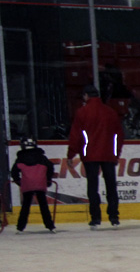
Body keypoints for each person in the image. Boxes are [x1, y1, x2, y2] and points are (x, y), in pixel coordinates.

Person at [67, 84, 123, 230]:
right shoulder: (110, 112)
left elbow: (76, 136)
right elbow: (119, 135)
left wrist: (71, 154)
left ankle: (95, 218)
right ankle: (114, 216)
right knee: (111, 185)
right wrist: (116, 153)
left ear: (86, 96)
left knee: (92, 186)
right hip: (108, 154)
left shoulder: (82, 112)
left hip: (90, 154)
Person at [11, 136, 56, 234]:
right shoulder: (41, 157)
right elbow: (50, 167)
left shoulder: (20, 158)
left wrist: (19, 182)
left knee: (26, 206)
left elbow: (14, 172)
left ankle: (20, 227)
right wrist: (48, 180)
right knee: (43, 205)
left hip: (27, 184)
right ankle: (50, 225)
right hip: (40, 183)